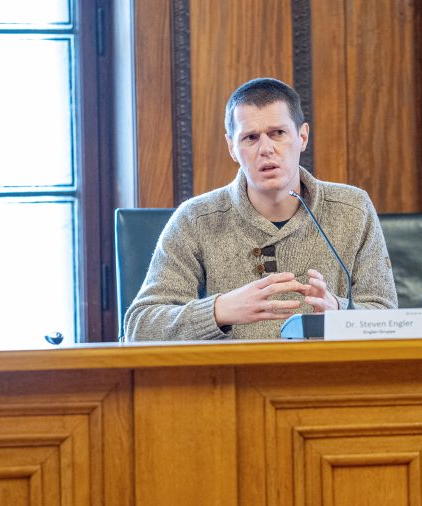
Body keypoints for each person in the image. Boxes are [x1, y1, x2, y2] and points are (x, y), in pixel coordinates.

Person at [124, 78, 397, 340]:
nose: (266, 149)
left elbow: (389, 320)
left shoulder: (352, 209)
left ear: (302, 137)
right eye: (251, 138)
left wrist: (339, 313)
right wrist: (220, 310)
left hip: (324, 380)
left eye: (278, 133)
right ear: (232, 147)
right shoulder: (195, 219)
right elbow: (140, 326)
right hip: (232, 381)